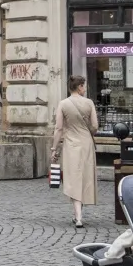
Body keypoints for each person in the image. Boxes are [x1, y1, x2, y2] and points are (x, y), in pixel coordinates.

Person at [50, 76, 99, 226]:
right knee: (84, 176)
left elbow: (58, 128)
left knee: (73, 177)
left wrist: (54, 148)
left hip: (71, 144)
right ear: (79, 87)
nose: (85, 89)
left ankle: (78, 216)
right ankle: (78, 214)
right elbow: (95, 127)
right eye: (83, 86)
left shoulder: (63, 104)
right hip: (86, 144)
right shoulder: (89, 103)